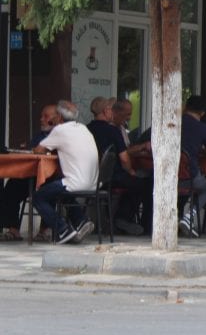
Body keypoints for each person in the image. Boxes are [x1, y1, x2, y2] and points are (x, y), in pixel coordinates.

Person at [32, 100, 99, 244]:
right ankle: (81, 220)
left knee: (38, 197)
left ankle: (62, 229)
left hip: (75, 183)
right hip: (93, 184)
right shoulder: (83, 128)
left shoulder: (60, 130)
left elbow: (38, 150)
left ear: (59, 117)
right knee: (58, 192)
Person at [85, 97, 148, 235]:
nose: (112, 113)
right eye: (111, 110)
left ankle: (116, 220)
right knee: (143, 184)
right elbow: (124, 159)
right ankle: (122, 218)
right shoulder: (112, 131)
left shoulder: (86, 129)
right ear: (106, 111)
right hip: (111, 177)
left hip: (90, 176)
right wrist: (130, 170)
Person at [0, 104, 59, 241]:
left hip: (52, 176)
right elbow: (33, 151)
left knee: (50, 190)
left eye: (46, 116)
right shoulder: (39, 136)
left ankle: (44, 230)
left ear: (57, 118)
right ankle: (13, 229)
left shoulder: (61, 134)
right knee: (11, 186)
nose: (41, 119)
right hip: (32, 174)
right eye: (41, 116)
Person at [179, 94, 206, 238]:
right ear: (202, 113)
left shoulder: (174, 122)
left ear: (185, 107)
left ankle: (180, 218)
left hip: (168, 176)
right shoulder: (201, 128)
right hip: (189, 176)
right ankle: (189, 217)